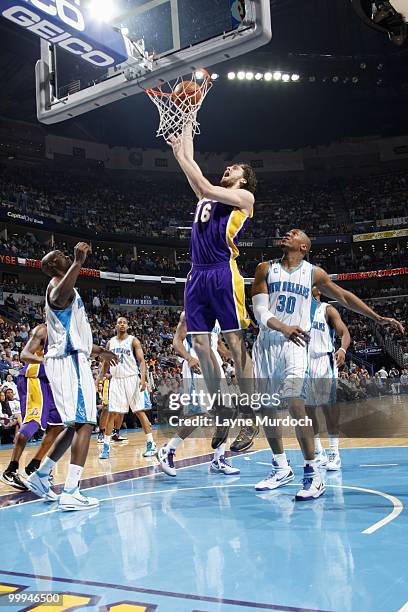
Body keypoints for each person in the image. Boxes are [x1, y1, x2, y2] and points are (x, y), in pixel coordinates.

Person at [252, 228, 404, 501]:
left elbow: (345, 297)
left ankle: (312, 473)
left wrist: (377, 317)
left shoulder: (314, 273)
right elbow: (260, 312)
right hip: (267, 343)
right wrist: (283, 326)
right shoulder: (265, 268)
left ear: (304, 247)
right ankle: (281, 467)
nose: (288, 233)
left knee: (296, 403)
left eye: (295, 233)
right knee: (266, 409)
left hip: (296, 344)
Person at [168, 125, 258, 452]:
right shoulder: (208, 198)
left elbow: (202, 182)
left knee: (235, 344)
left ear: (243, 179)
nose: (228, 168)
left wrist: (181, 155)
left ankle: (249, 415)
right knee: (201, 347)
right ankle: (222, 408)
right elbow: (198, 180)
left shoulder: (244, 197)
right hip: (196, 275)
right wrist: (187, 127)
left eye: (234, 168)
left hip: (222, 272)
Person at [25, 244, 118, 511]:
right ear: (54, 266)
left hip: (70, 358)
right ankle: (71, 491)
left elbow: (73, 334)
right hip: (69, 362)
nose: (66, 257)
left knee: (75, 424)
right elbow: (57, 297)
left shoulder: (66, 288)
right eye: (61, 258)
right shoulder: (57, 287)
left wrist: (99, 350)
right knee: (87, 423)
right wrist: (77, 262)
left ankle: (41, 477)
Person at [158, 311, 240, 477]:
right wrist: (188, 358)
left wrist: (236, 358)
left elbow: (218, 345)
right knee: (199, 414)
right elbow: (177, 342)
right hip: (197, 363)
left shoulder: (217, 314)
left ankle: (218, 459)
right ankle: (168, 450)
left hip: (215, 365)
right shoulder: (190, 313)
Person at [1, 324, 64, 491]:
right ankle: (11, 469)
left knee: (58, 425)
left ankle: (34, 465)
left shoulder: (66, 333)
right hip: (34, 379)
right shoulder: (42, 330)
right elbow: (24, 354)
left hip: (51, 384)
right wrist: (45, 361)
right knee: (32, 423)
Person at [96, 316, 156, 460]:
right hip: (116, 380)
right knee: (112, 413)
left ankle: (151, 444)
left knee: (139, 412)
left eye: (124, 323)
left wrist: (143, 378)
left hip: (132, 379)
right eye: (119, 323)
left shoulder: (133, 340)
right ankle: (106, 447)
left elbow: (141, 361)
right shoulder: (110, 342)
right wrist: (98, 379)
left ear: (127, 326)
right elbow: (105, 364)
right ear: (115, 326)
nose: (122, 324)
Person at [305, 287, 351, 471]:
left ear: (318, 291)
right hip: (304, 361)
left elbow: (344, 333)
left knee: (328, 408)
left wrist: (342, 349)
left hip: (324, 360)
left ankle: (334, 453)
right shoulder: (298, 311)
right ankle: (318, 451)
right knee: (308, 411)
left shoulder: (327, 310)